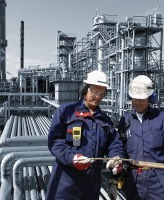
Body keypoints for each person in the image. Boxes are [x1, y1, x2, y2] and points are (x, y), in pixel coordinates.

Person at [46, 70, 125, 200]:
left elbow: (114, 143)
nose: (98, 96)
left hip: (90, 188)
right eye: (94, 91)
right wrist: (72, 157)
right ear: (84, 89)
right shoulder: (66, 112)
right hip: (64, 185)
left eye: (102, 93)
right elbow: (54, 141)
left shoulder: (105, 121)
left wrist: (116, 158)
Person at [117, 75, 164, 200]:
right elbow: (120, 148)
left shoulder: (162, 118)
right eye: (135, 99)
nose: (138, 102)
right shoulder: (125, 120)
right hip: (134, 182)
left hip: (159, 182)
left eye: (142, 99)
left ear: (150, 98)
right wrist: (116, 177)